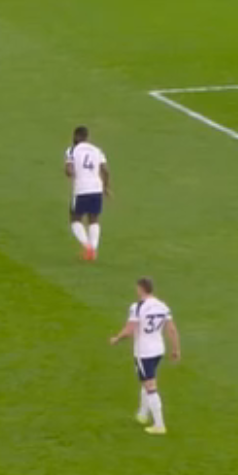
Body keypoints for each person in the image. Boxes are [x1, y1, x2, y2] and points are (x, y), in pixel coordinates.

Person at [108, 277, 180, 435]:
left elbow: (129, 330)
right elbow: (172, 330)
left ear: (141, 289)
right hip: (158, 350)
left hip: (144, 352)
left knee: (150, 386)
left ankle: (159, 425)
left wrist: (117, 338)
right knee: (147, 380)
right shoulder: (162, 306)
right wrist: (176, 349)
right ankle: (142, 414)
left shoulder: (138, 307)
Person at [66, 125, 109, 260]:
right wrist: (106, 187)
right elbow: (105, 170)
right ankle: (93, 249)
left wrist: (71, 173)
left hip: (81, 189)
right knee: (94, 218)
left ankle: (87, 247)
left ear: (76, 136)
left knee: (75, 218)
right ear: (87, 137)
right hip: (97, 188)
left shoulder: (72, 150)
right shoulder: (97, 150)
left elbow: (69, 170)